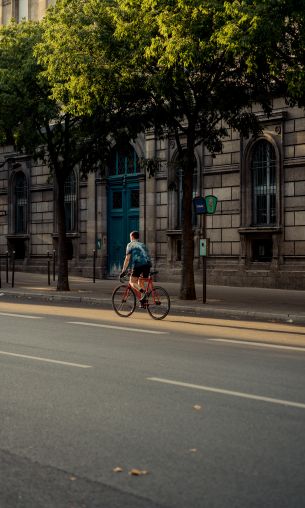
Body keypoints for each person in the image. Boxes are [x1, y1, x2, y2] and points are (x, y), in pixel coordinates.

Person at [120, 231, 151, 303]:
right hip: (148, 265)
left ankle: (144, 293)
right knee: (141, 281)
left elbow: (127, 259)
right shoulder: (143, 244)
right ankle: (144, 301)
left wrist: (123, 270)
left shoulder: (130, 245)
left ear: (132, 237)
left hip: (138, 265)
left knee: (132, 282)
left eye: (130, 237)